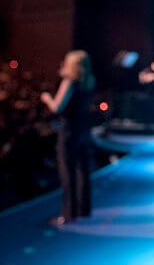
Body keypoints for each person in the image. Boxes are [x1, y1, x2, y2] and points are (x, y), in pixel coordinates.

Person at [41, 50, 95, 226]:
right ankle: (84, 209)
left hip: (69, 130)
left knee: (68, 171)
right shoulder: (89, 81)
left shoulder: (69, 82)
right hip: (84, 129)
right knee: (83, 171)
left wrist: (47, 98)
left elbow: (57, 107)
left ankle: (68, 214)